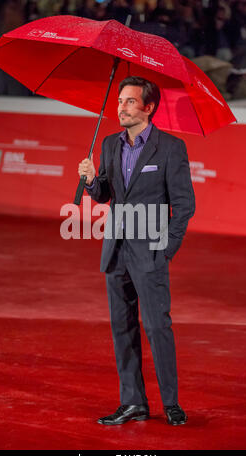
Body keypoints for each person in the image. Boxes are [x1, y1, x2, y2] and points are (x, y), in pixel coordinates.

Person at [78, 76, 195, 426]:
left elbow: (184, 205)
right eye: (119, 101)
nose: (121, 108)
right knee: (122, 328)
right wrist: (89, 181)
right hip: (115, 251)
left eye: (130, 101)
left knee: (158, 326)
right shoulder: (110, 144)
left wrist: (166, 249)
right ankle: (133, 402)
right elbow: (105, 194)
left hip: (150, 253)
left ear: (149, 107)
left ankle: (170, 402)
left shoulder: (170, 147)